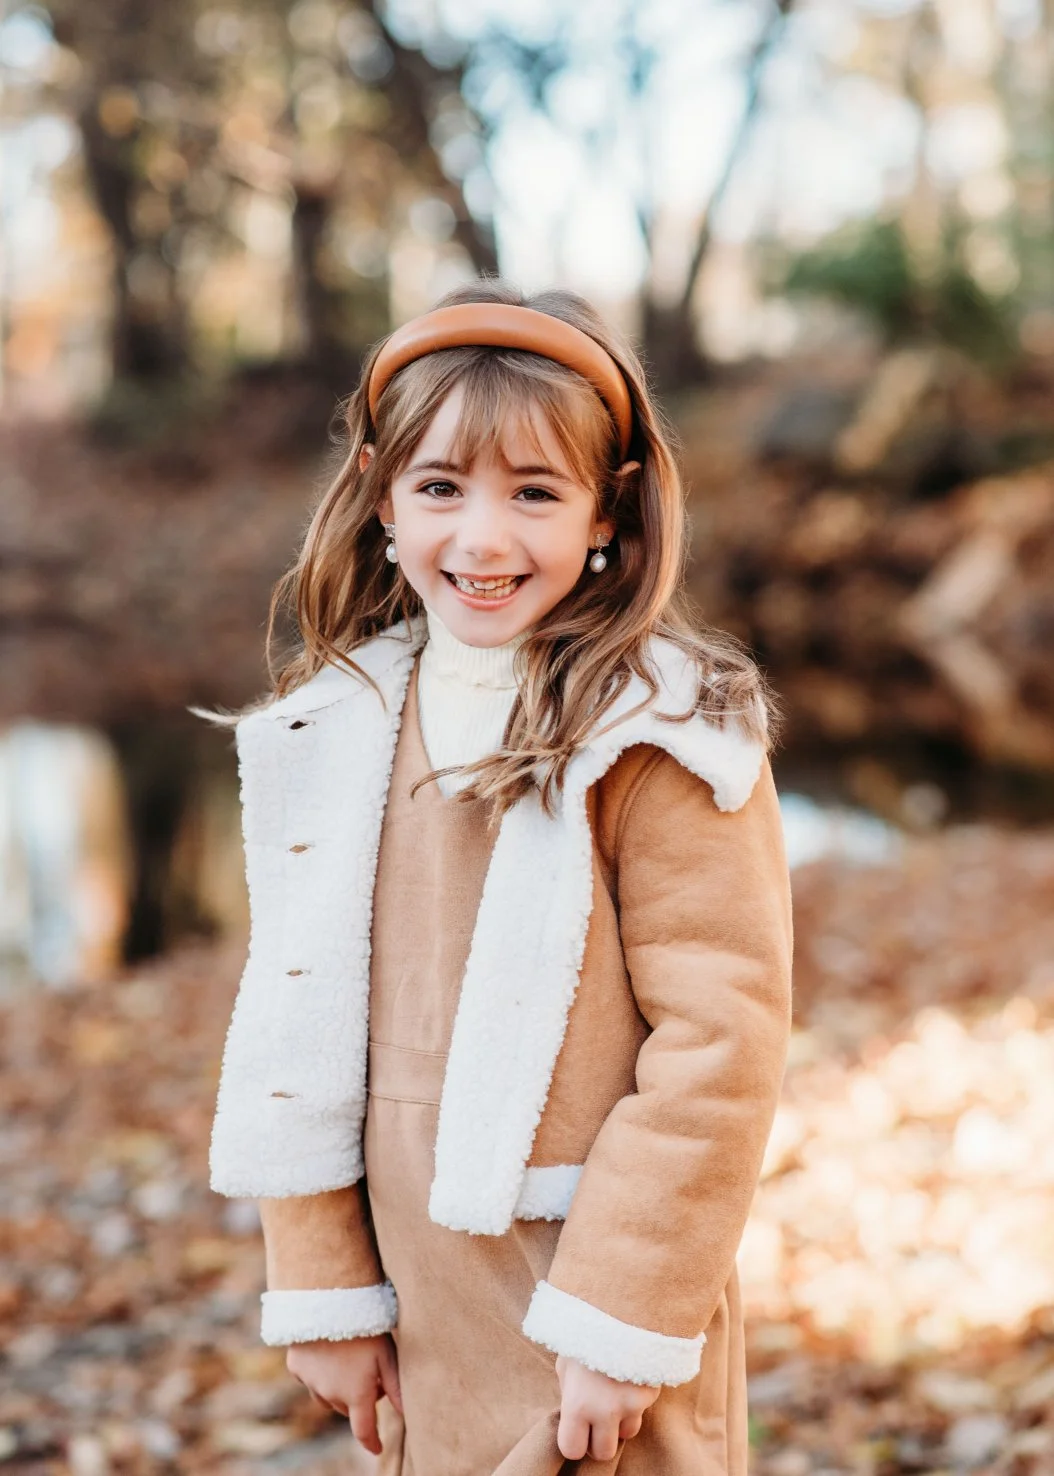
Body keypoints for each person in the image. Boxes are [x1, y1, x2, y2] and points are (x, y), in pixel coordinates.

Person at [206, 278, 793, 1475]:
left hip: (588, 1279)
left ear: (605, 512)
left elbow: (719, 1046)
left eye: (532, 493)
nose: (481, 539)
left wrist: (620, 1319)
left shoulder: (663, 734)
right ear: (381, 497)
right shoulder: (342, 724)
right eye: (440, 489)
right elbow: (294, 1010)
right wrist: (325, 1280)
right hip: (417, 1276)